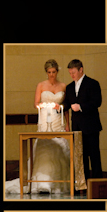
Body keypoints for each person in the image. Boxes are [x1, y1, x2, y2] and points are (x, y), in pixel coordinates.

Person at [30, 59, 70, 194]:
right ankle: (42, 180)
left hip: (58, 118)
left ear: (57, 72)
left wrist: (67, 124)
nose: (51, 75)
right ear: (46, 72)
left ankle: (60, 182)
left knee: (59, 146)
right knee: (45, 146)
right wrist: (42, 105)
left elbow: (66, 108)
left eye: (53, 72)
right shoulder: (41, 85)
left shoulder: (63, 86)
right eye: (49, 72)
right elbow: (35, 103)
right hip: (44, 117)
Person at [66, 59, 103, 179]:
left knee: (94, 156)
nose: (72, 75)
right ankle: (84, 183)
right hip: (77, 127)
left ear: (81, 70)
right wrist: (58, 107)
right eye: (70, 73)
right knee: (81, 157)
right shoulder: (69, 87)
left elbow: (97, 102)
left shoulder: (92, 83)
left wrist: (81, 107)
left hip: (91, 126)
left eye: (73, 72)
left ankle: (97, 183)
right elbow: (67, 103)